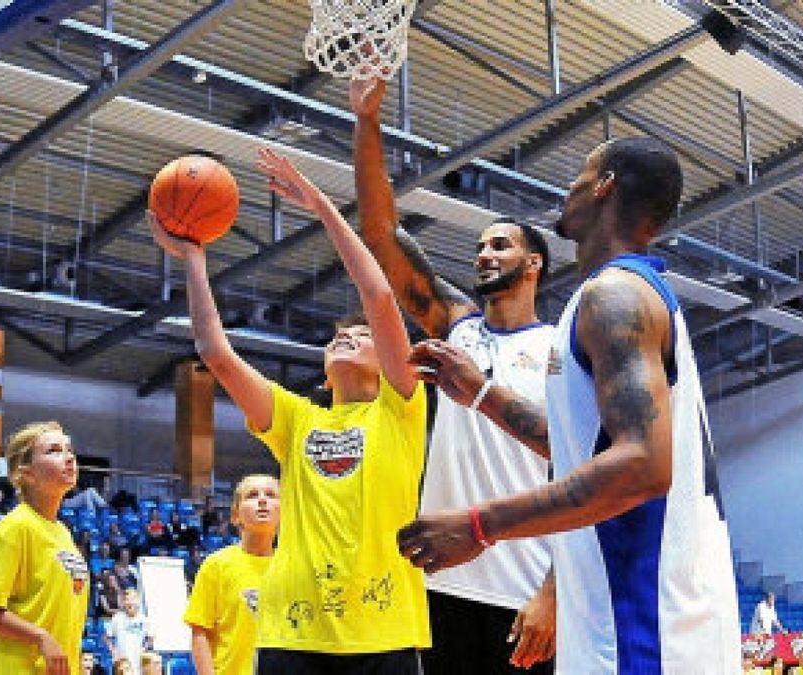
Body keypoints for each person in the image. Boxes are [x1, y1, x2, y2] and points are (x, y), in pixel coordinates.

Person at [397, 137, 742, 673]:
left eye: (582, 172)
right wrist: (483, 394)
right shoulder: (615, 297)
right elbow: (580, 447)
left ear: (604, 186)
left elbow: (642, 466)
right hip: (633, 617)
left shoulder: (616, 297)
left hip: (644, 626)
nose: (570, 187)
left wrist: (481, 524)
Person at [149, 147, 429, 674]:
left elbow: (379, 296)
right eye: (337, 338)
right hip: (292, 630)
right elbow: (214, 353)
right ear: (324, 372)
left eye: (361, 336)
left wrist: (321, 206)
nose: (347, 336)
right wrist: (194, 261)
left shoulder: (401, 409)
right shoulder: (298, 419)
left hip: (384, 629)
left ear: (390, 359)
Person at [350, 77, 557, 674]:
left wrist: (553, 591)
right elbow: (382, 239)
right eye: (480, 246)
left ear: (533, 263)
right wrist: (367, 121)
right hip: (441, 586)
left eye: (501, 245)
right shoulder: (457, 323)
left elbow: (581, 466)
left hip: (523, 594)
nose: (484, 254)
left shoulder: (560, 346)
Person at [0, 421, 90, 675]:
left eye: (69, 450)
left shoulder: (63, 531)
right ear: (25, 473)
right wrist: (40, 637)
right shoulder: (15, 527)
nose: (68, 458)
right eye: (54, 451)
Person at [183, 474, 281, 675]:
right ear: (235, 515)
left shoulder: (293, 566)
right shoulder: (216, 565)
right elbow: (200, 632)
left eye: (271, 495)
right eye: (252, 495)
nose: (262, 500)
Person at [106, 588, 152, 674]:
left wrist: (143, 649)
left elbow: (151, 637)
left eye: (132, 599)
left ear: (138, 601)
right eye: (127, 600)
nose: (130, 602)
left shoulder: (144, 619)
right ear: (123, 602)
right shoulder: (117, 618)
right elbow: (107, 637)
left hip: (138, 660)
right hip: (122, 660)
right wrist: (113, 651)